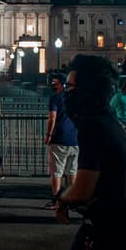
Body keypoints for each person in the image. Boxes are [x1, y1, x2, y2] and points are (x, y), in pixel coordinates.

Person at [52, 55, 126, 250]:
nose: (66, 94)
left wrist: (61, 199)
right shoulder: (123, 127)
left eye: (70, 88)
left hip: (112, 228)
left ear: (87, 92)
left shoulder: (94, 127)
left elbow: (81, 191)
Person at [43, 72, 78, 209]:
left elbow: (52, 117)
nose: (53, 85)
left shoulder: (56, 98)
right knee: (72, 171)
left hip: (59, 138)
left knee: (56, 172)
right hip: (76, 138)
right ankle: (71, 200)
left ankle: (57, 200)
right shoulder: (77, 97)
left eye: (55, 83)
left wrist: (48, 135)